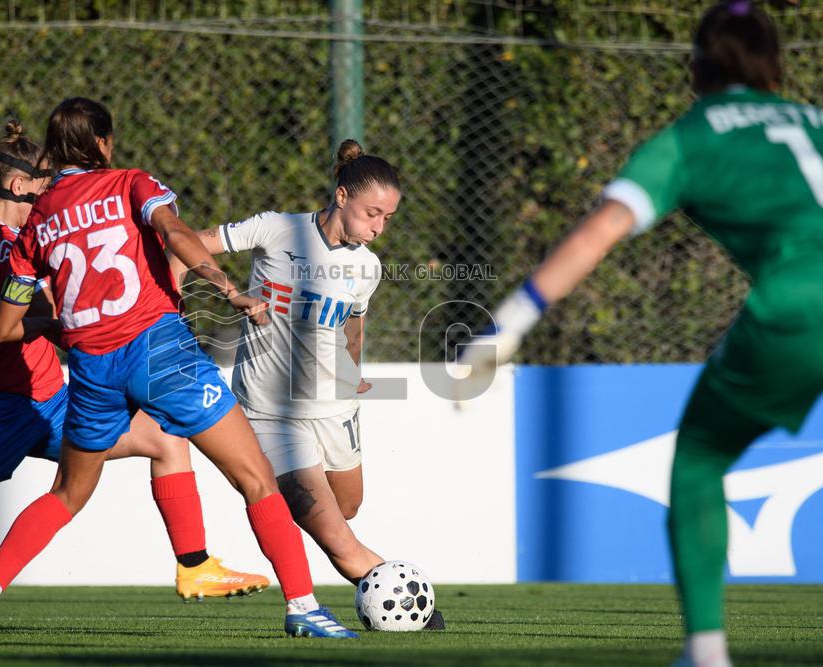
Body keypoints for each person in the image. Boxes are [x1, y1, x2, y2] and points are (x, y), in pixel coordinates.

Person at [459, 3, 823, 666]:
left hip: (801, 307)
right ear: (777, 63)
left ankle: (706, 650)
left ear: (696, 65)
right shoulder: (814, 122)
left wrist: (506, 324)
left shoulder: (692, 137)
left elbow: (600, 230)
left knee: (700, 462)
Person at [0, 98, 356, 638]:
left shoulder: (35, 223)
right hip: (159, 351)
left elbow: (2, 329)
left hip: (91, 367)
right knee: (255, 478)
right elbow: (176, 235)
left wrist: (72, 322)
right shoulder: (128, 183)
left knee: (67, 492)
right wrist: (227, 286)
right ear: (104, 145)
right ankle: (303, 608)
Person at [0, 123, 266, 613]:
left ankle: (195, 565)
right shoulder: (1, 248)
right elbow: (17, 320)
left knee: (165, 438)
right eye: (44, 180)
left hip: (48, 402)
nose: (53, 187)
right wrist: (79, 323)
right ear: (17, 188)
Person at [170, 139, 443, 630]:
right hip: (273, 415)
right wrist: (181, 303)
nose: (379, 227)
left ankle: (286, 505)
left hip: (336, 410)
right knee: (337, 538)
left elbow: (353, 326)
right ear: (341, 197)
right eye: (372, 213)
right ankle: (413, 611)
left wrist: (352, 374)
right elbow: (184, 244)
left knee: (349, 508)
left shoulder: (367, 267)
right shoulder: (278, 228)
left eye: (388, 218)